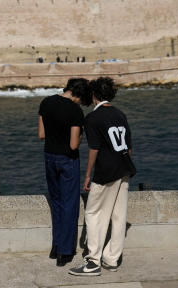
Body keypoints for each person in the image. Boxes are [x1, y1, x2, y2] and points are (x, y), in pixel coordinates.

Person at [69, 77, 135, 278]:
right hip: (124, 169)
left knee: (94, 214)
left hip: (106, 171)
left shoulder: (92, 119)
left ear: (94, 95)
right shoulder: (120, 114)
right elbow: (128, 147)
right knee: (118, 216)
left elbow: (94, 148)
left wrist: (88, 175)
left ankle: (93, 261)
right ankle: (112, 259)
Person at [38, 77, 90, 267]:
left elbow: (41, 134)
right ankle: (65, 252)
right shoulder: (75, 111)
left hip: (49, 157)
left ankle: (55, 246)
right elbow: (74, 144)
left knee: (57, 203)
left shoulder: (46, 102)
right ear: (79, 95)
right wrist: (82, 133)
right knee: (70, 204)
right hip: (68, 160)